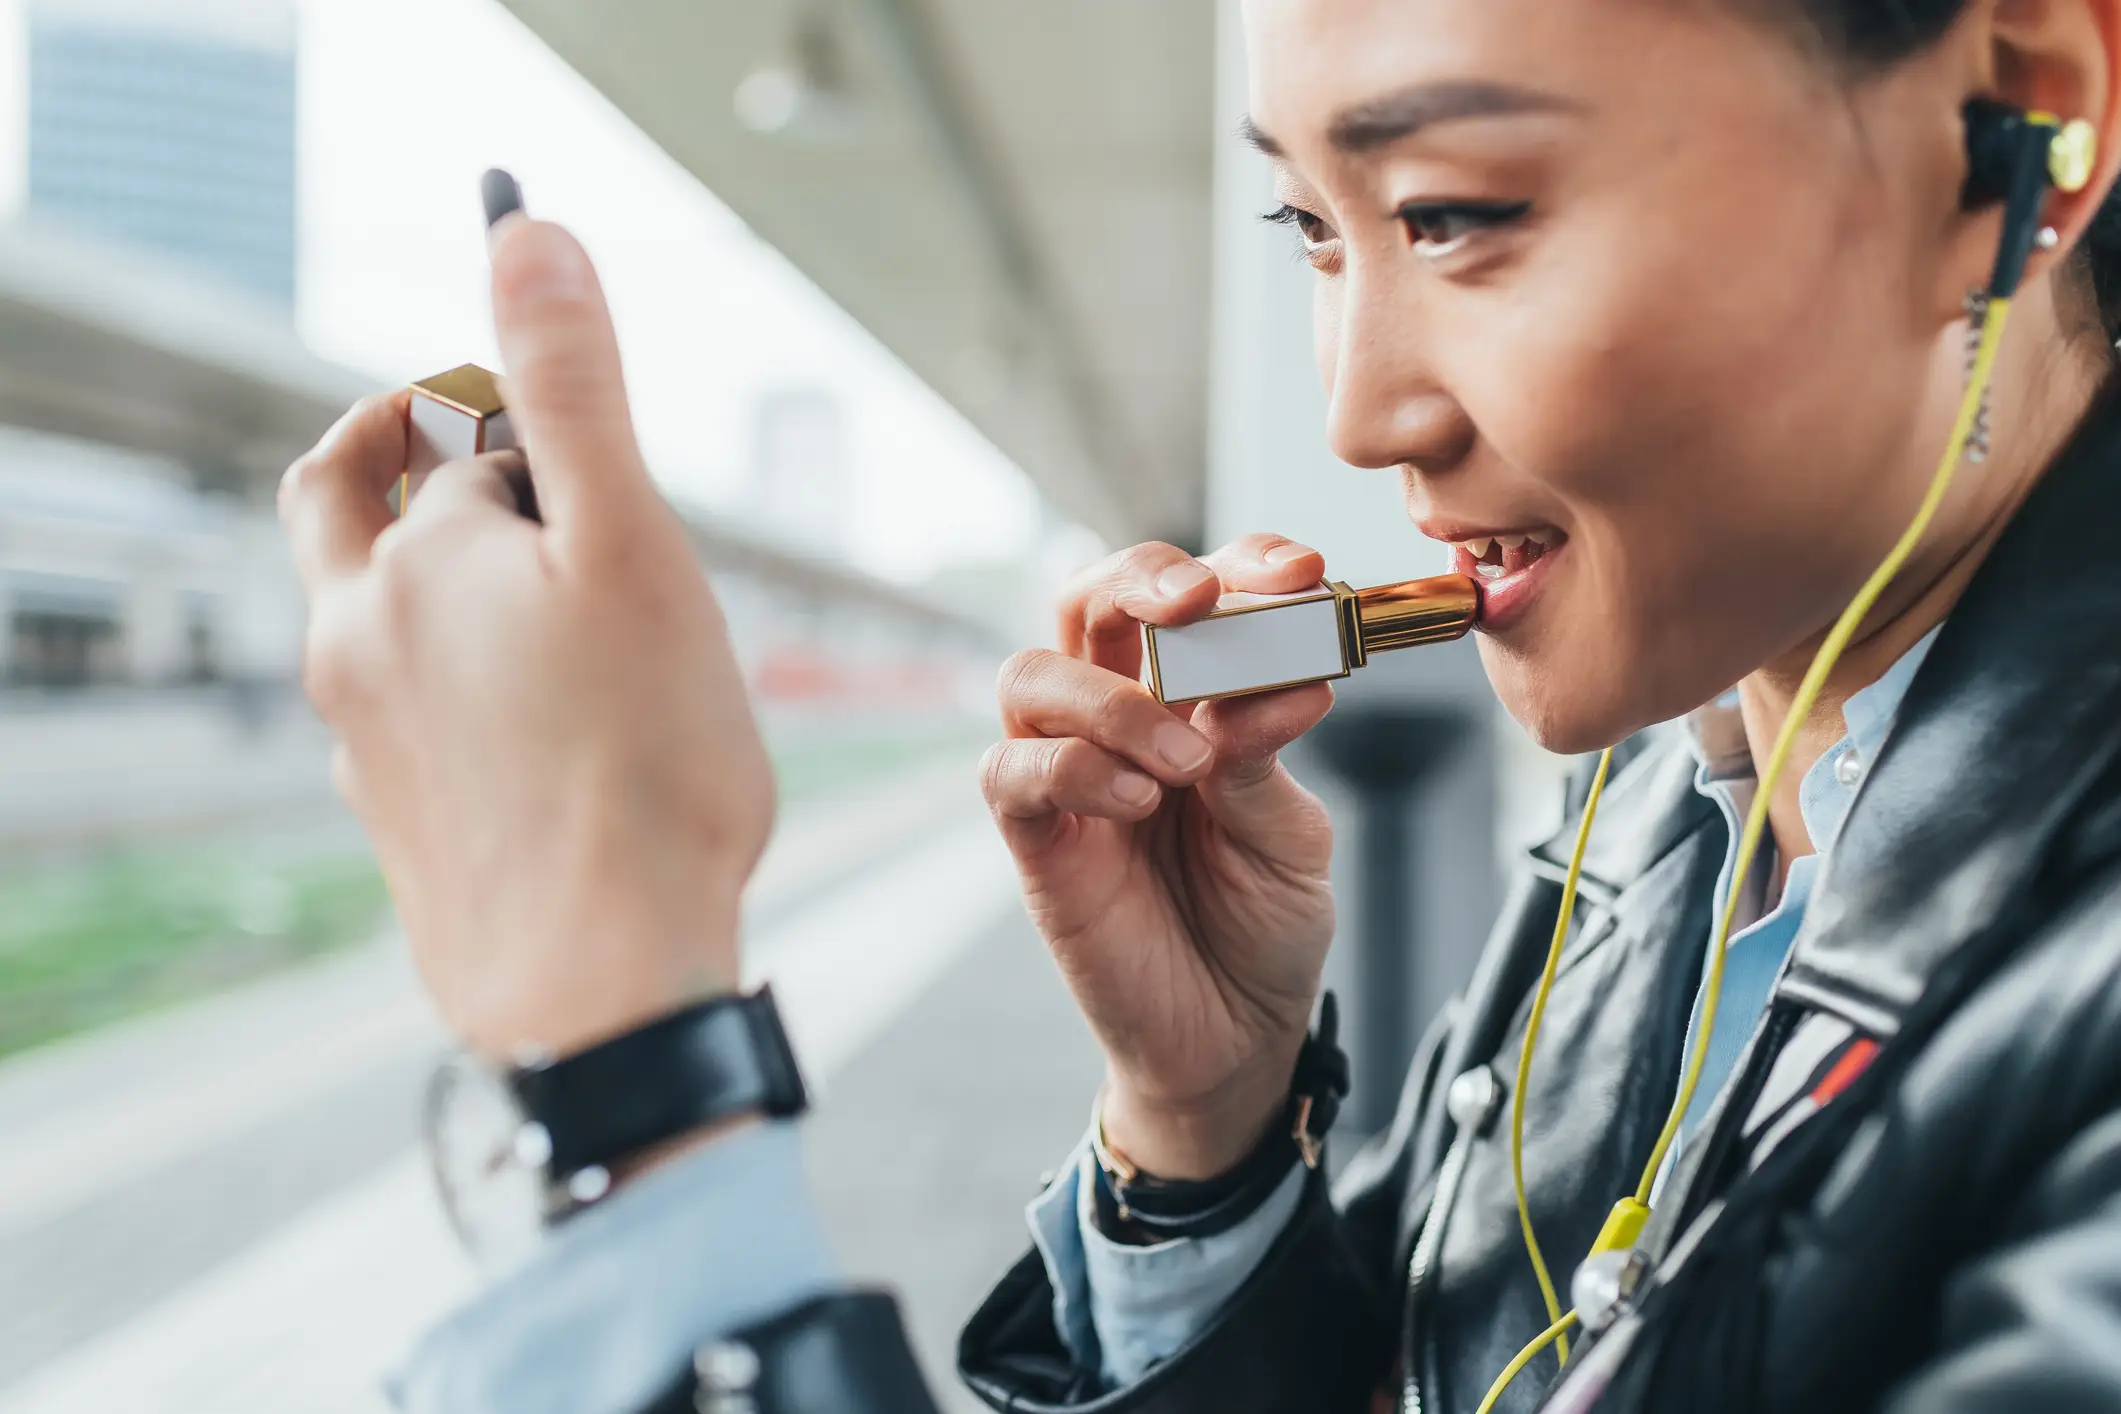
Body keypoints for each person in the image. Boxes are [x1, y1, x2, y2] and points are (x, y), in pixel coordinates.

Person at [279, 0, 2121, 1409]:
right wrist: (1205, 1130)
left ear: (2023, 119)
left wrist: (627, 1065)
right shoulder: (1677, 801)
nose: (1362, 412)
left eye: (1458, 213)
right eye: (1315, 230)